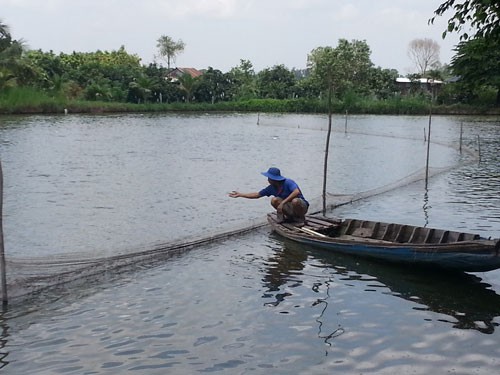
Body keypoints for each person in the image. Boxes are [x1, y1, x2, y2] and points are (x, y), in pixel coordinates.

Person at [229, 167, 309, 225]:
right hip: (289, 208)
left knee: (295, 201)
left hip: (301, 207)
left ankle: (301, 219)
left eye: (269, 178)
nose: (268, 180)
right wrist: (240, 194)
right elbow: (257, 195)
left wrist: (283, 203)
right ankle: (290, 217)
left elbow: (296, 192)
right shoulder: (271, 188)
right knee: (274, 200)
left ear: (273, 179)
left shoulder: (288, 182)